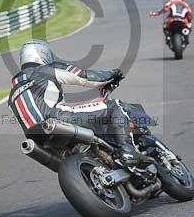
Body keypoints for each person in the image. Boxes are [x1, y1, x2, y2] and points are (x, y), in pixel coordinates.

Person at [8, 39, 144, 166]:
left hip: (37, 140)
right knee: (115, 106)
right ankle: (128, 153)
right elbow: (86, 77)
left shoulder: (12, 94)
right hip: (58, 120)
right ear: (42, 54)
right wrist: (113, 74)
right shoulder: (47, 70)